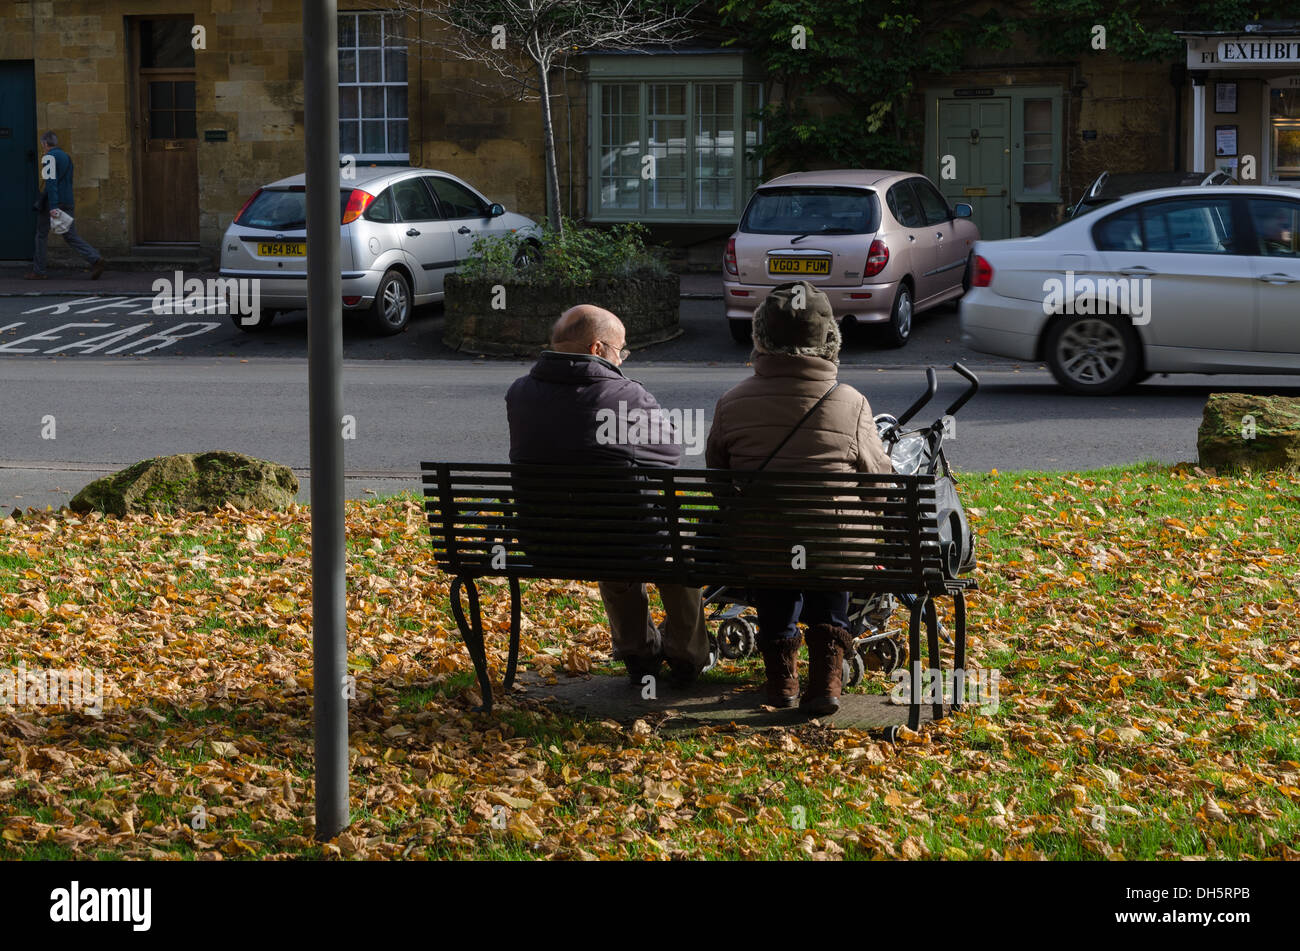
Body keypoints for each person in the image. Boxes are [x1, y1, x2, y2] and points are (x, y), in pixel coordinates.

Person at [706, 281, 893, 716]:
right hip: (835, 550)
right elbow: (880, 484)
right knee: (828, 548)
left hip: (761, 547)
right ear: (830, 342)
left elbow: (719, 483)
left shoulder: (732, 402)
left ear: (759, 339)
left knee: (773, 550)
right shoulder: (851, 402)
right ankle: (827, 678)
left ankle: (781, 680)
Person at [506, 304, 710, 687]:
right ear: (598, 349)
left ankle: (637, 654)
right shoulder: (625, 394)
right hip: (621, 541)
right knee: (671, 538)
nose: (623, 359)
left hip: (545, 542)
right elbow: (670, 456)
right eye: (622, 351)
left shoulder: (519, 392)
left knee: (614, 530)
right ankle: (686, 655)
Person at [26, 131, 104, 281]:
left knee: (41, 235)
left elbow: (51, 182)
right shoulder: (66, 157)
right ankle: (95, 258)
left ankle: (39, 271)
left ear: (44, 144)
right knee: (70, 235)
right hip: (67, 200)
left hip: (53, 202)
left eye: (42, 145)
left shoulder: (49, 157)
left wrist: (53, 206)